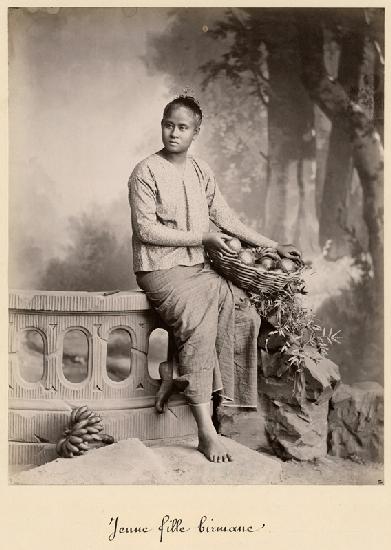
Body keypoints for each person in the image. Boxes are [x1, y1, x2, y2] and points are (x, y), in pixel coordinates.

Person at [128, 95, 301, 463]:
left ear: (195, 133)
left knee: (242, 309)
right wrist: (202, 238)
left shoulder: (200, 171)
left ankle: (179, 373)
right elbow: (145, 230)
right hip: (159, 270)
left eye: (183, 127)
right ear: (161, 125)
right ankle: (205, 431)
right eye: (168, 124)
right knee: (199, 325)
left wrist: (273, 246)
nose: (173, 133)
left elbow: (228, 218)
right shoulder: (145, 172)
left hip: (196, 269)